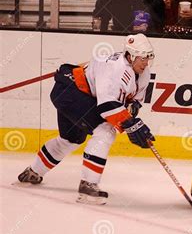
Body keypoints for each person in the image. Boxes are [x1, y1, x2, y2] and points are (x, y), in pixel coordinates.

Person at [17, 34, 156, 205]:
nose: (146, 62)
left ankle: (32, 172)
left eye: (148, 58)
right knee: (105, 131)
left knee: (71, 140)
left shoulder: (143, 73)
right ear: (131, 56)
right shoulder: (115, 69)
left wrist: (133, 118)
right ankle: (88, 185)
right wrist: (130, 125)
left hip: (77, 94)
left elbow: (133, 102)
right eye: (143, 58)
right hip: (70, 92)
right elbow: (106, 106)